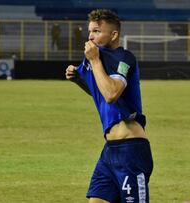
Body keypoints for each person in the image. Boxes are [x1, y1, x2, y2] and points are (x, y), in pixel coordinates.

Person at [65, 9, 153, 203]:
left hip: (131, 149)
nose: (90, 36)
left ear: (113, 35)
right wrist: (79, 80)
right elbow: (100, 93)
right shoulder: (92, 58)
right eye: (90, 31)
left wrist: (94, 60)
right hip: (110, 150)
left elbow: (111, 94)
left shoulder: (124, 58)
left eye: (97, 31)